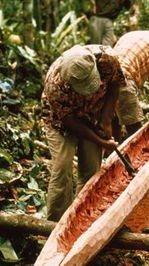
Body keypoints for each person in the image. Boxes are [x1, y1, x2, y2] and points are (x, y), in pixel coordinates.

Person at [42, 44, 125, 221]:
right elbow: (69, 121)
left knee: (91, 170)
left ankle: (82, 218)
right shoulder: (55, 84)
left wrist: (106, 120)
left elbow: (114, 87)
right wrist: (101, 142)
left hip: (94, 114)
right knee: (62, 169)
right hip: (60, 122)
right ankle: (55, 223)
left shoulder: (107, 60)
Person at [112, 26, 149, 138]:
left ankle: (111, 154)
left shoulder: (131, 35)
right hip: (124, 78)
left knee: (113, 121)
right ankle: (139, 155)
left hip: (105, 78)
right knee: (135, 130)